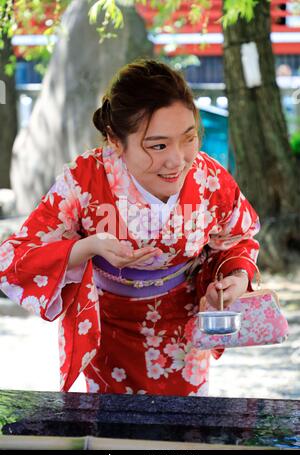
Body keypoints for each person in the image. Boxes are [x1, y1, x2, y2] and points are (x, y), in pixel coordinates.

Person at [0, 59, 260, 396]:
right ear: (115, 139)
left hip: (183, 330)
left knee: (183, 431)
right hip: (109, 331)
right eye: (158, 145)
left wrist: (234, 279)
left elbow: (237, 239)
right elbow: (15, 257)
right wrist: (89, 246)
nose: (177, 160)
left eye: (189, 138)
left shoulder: (209, 178)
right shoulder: (85, 178)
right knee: (112, 432)